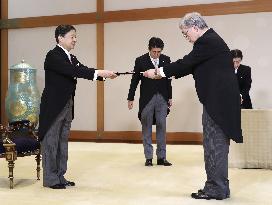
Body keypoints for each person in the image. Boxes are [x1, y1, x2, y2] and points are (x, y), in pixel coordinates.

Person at [143, 13, 242, 200]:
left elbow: (186, 63)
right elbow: (189, 66)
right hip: (219, 102)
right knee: (216, 145)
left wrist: (158, 71)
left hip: (217, 103)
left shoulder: (207, 41)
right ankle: (220, 186)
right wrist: (160, 74)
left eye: (185, 32)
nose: (185, 36)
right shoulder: (210, 41)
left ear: (195, 27)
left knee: (214, 145)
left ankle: (216, 188)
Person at [38, 25, 117, 189]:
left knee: (62, 141)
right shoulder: (53, 55)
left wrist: (104, 74)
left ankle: (60, 176)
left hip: (67, 104)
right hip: (53, 106)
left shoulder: (71, 57)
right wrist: (100, 72)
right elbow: (73, 71)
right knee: (51, 141)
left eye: (75, 36)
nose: (75, 39)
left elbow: (82, 69)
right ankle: (50, 179)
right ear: (60, 37)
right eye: (72, 36)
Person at [127, 37, 172, 167]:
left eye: (159, 51)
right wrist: (131, 98)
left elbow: (168, 80)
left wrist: (170, 97)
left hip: (162, 97)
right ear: (149, 49)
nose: (157, 54)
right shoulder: (140, 60)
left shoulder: (166, 60)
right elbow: (134, 80)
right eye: (154, 51)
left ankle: (161, 157)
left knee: (161, 126)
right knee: (146, 125)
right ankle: (148, 157)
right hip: (147, 98)